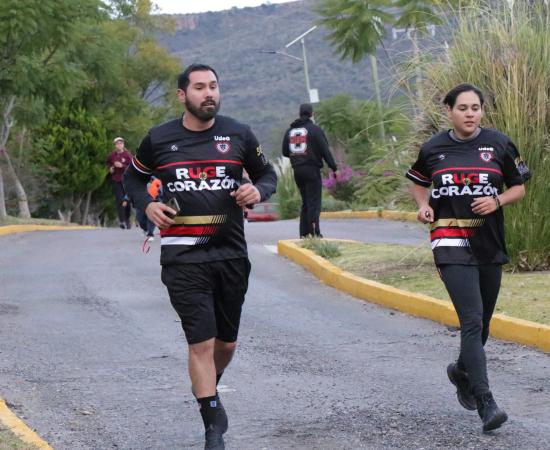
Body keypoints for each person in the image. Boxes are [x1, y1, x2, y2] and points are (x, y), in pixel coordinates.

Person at [123, 63, 277, 450]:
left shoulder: (239, 134)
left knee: (226, 346)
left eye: (213, 86)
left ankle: (208, 388)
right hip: (182, 257)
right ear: (182, 95)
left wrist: (258, 191)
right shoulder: (159, 139)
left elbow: (267, 175)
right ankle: (212, 425)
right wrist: (147, 205)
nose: (208, 93)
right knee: (201, 343)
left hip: (231, 254)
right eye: (199, 87)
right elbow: (133, 178)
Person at [405, 83, 530, 432]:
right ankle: (486, 401)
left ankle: (461, 371)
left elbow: (519, 185)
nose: (470, 113)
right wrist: (424, 205)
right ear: (449, 111)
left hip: (488, 242)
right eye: (463, 108)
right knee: (472, 321)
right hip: (449, 241)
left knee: (484, 323)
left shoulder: (499, 143)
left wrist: (498, 201)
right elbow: (417, 180)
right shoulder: (433, 148)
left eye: (476, 107)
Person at [282, 103, 337, 238]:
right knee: (314, 202)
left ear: (300, 114)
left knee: (305, 202)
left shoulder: (290, 131)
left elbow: (285, 152)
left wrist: (298, 157)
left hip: (297, 170)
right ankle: (314, 233)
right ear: (312, 114)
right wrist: (333, 167)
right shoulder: (315, 130)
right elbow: (325, 150)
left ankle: (304, 234)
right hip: (312, 169)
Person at [106, 137, 133, 229]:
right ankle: (122, 221)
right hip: (116, 180)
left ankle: (127, 220)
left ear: (123, 144)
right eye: (117, 144)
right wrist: (110, 168)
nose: (119, 145)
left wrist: (122, 166)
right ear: (115, 145)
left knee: (126, 201)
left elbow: (132, 167)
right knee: (119, 201)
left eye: (121, 143)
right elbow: (108, 163)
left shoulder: (127, 155)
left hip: (126, 181)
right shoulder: (112, 155)